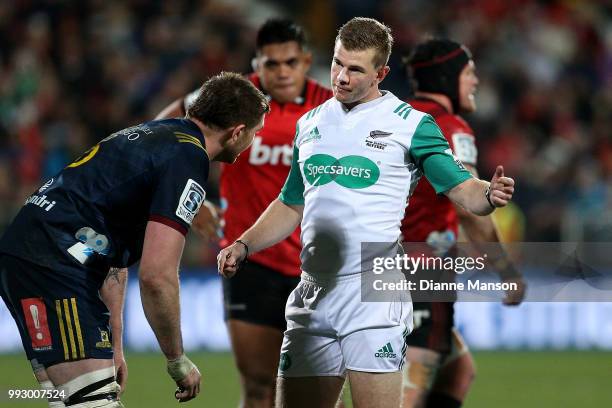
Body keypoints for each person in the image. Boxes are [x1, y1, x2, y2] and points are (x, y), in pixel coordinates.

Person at [217, 18, 515, 408]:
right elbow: (291, 203)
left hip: (372, 295)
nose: (340, 76)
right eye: (337, 63)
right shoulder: (311, 122)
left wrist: (489, 194)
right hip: (313, 292)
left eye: (355, 69)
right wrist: (244, 244)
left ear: (381, 73)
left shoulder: (410, 125)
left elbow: (463, 189)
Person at [0, 72, 269, 407]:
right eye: (255, 133)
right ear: (237, 132)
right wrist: (177, 359)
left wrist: (114, 347)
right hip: (55, 263)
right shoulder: (188, 159)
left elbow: (107, 252)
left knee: (73, 400)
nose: (252, 143)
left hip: (38, 252)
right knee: (92, 403)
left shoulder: (155, 135)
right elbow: (157, 276)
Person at [156, 18, 332, 407]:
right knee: (258, 388)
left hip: (315, 264)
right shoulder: (233, 97)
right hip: (247, 262)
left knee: (319, 393)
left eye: (290, 62)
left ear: (306, 61)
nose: (282, 72)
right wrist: (194, 198)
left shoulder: (332, 104)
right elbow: (163, 132)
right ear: (257, 63)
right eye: (272, 64)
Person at [400, 39, 527, 408]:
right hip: (422, 271)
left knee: (458, 369)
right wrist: (507, 271)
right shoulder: (450, 127)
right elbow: (469, 209)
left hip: (381, 266)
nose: (475, 81)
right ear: (446, 77)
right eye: (469, 73)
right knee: (412, 386)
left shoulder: (400, 117)